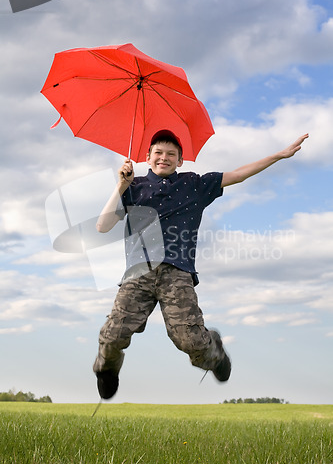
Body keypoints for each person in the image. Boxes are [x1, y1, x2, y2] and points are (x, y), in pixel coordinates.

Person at [93, 130, 309, 399]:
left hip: (176, 272)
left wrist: (278, 155)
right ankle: (107, 370)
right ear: (147, 158)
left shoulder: (193, 185)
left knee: (190, 340)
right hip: (138, 272)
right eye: (158, 153)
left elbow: (238, 174)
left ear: (180, 161)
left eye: (171, 154)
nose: (164, 158)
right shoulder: (133, 188)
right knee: (113, 334)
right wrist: (120, 187)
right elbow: (102, 226)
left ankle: (214, 353)